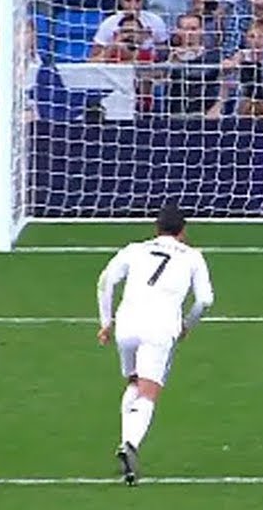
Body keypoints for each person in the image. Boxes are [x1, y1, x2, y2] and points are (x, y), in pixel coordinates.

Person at [95, 204, 215, 485]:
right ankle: (130, 444)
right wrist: (188, 324)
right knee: (148, 392)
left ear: (156, 228)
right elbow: (205, 300)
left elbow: (105, 281)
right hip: (160, 328)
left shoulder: (134, 249)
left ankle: (126, 442)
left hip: (127, 323)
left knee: (134, 382)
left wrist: (106, 322)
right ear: (183, 231)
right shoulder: (193, 257)